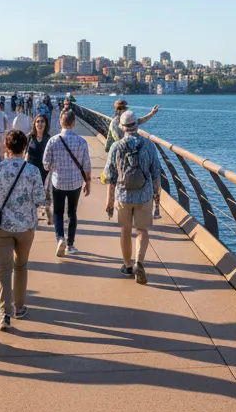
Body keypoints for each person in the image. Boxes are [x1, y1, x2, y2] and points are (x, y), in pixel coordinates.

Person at [0, 129, 45, 331]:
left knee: (3, 270)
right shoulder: (32, 171)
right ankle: (19, 307)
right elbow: (40, 199)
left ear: (6, 147)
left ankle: (4, 314)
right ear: (24, 147)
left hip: (1, 227)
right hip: (25, 227)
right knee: (21, 266)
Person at [104, 110, 163, 285]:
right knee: (142, 231)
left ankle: (128, 265)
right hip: (144, 194)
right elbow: (156, 173)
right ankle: (139, 262)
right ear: (137, 125)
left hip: (123, 195)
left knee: (125, 230)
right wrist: (157, 196)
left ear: (122, 127)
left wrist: (109, 199)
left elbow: (110, 175)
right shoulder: (149, 145)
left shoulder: (116, 146)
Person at [43, 109, 91, 257]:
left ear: (61, 122)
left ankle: (60, 238)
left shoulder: (53, 140)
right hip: (75, 183)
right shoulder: (82, 141)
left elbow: (45, 164)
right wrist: (88, 183)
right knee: (72, 213)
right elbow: (87, 165)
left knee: (58, 211)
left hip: (58, 181)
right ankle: (70, 244)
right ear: (74, 123)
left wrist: (54, 167)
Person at [25, 113, 53, 224]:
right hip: (31, 170)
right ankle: (32, 216)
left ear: (45, 124)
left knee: (46, 195)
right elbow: (25, 153)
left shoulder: (49, 138)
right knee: (31, 194)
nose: (40, 124)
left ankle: (49, 215)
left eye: (42, 121)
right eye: (38, 121)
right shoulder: (29, 137)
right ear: (34, 124)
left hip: (45, 170)